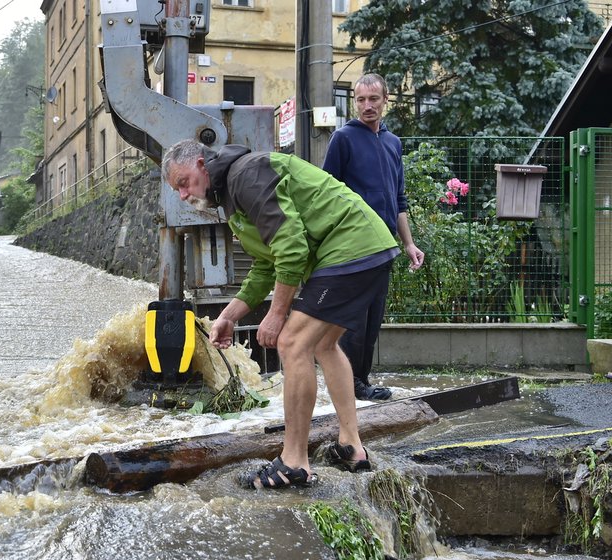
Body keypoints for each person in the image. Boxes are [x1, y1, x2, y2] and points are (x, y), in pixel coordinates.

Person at [162, 138, 400, 489]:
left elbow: (291, 245)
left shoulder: (247, 175)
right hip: (367, 248)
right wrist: (230, 315)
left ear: (201, 164)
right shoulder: (231, 195)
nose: (183, 194)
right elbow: (265, 263)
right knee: (324, 345)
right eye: (176, 189)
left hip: (350, 248)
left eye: (183, 183)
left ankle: (294, 461)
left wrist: (277, 313)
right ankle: (352, 445)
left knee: (291, 342)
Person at [323, 73, 425, 401]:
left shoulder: (393, 143)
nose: (367, 106)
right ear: (355, 101)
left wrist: (408, 243)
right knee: (353, 319)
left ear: (385, 100)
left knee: (373, 318)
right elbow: (327, 193)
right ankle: (349, 384)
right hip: (353, 246)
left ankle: (361, 382)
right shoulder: (343, 138)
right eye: (361, 100)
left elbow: (399, 200)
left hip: (385, 247)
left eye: (374, 99)